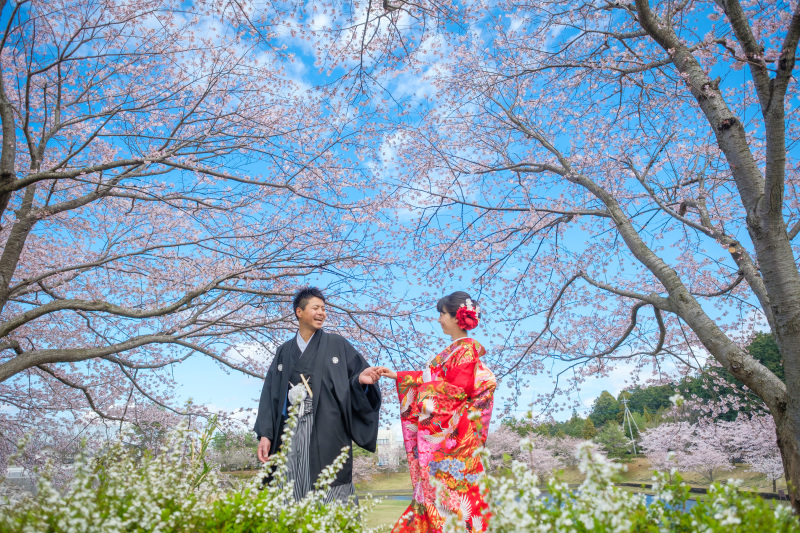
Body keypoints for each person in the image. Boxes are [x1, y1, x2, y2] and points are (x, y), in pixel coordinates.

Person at [378, 291, 496, 532]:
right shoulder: (453, 351)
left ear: (456, 317)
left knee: (451, 503)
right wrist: (399, 376)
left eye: (442, 314)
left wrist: (424, 391)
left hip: (454, 444)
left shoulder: (466, 349)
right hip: (449, 440)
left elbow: (455, 392)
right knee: (438, 500)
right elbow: (435, 380)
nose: (439, 319)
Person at [253, 287, 382, 504]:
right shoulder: (284, 351)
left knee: (330, 479)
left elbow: (352, 380)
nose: (321, 312)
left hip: (327, 427)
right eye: (316, 308)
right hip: (289, 428)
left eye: (323, 308)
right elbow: (270, 394)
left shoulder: (337, 344)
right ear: (299, 312)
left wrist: (360, 380)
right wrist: (265, 434)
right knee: (289, 478)